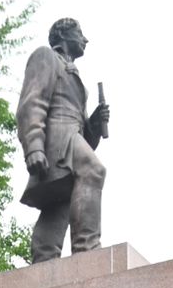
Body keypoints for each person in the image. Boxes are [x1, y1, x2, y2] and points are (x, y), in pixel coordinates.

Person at [16, 17, 109, 262]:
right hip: (57, 139)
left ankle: (43, 260)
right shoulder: (46, 57)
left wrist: (95, 125)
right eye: (80, 32)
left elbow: (84, 135)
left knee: (59, 204)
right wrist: (33, 146)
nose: (85, 39)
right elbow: (31, 102)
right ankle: (87, 249)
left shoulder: (74, 76)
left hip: (72, 137)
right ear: (63, 34)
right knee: (93, 170)